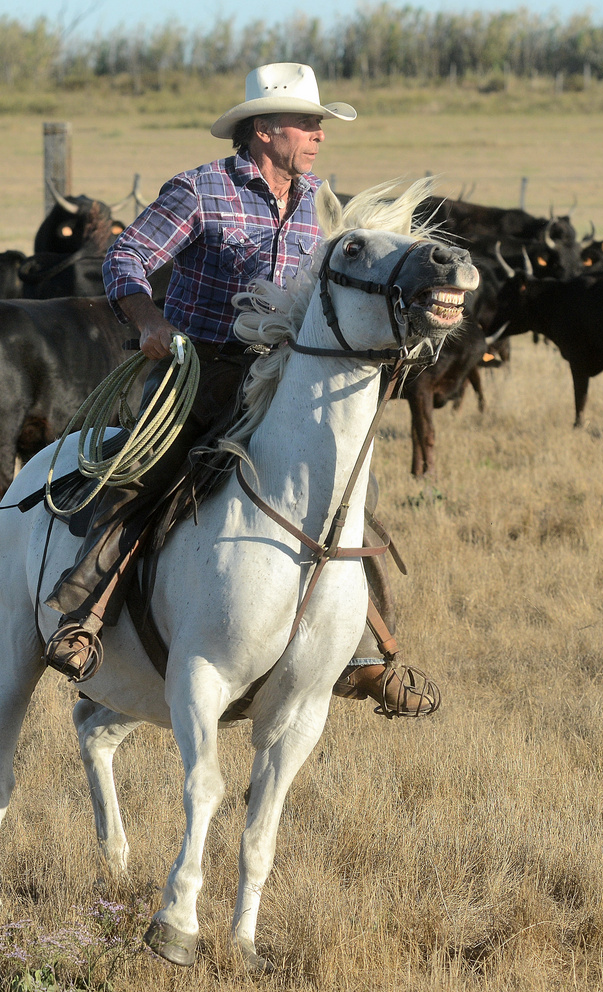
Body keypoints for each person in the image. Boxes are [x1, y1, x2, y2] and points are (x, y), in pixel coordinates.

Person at [40, 62, 440, 718]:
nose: (317, 133)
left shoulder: (322, 204)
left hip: (286, 373)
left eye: (320, 123)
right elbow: (125, 257)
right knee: (154, 469)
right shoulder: (200, 191)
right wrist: (149, 322)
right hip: (200, 367)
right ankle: (87, 610)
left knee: (348, 491)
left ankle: (368, 652)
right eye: (305, 122)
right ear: (260, 130)